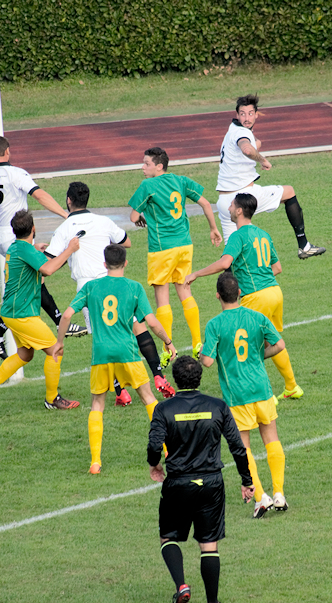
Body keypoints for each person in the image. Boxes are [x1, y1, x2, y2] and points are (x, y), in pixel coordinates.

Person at [0, 135, 87, 361]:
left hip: (2, 236)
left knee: (26, 284)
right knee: (38, 277)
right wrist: (65, 214)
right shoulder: (17, 173)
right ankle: (58, 321)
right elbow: (40, 195)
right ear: (7, 152)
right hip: (18, 234)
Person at [48, 181, 175, 402]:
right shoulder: (103, 221)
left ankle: (121, 392)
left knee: (104, 337)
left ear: (69, 201)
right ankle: (158, 375)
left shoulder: (64, 229)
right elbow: (126, 242)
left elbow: (49, 262)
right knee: (139, 327)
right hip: (114, 281)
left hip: (89, 288)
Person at [55, 243, 177, 474]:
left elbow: (68, 314)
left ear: (104, 264)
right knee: (148, 398)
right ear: (126, 263)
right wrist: (168, 342)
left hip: (101, 355)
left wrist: (60, 342)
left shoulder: (91, 287)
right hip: (127, 354)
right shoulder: (134, 287)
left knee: (98, 404)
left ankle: (95, 462)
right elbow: (151, 322)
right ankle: (168, 449)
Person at [148, 355, 254, 603]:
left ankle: (182, 585)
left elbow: (154, 445)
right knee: (209, 544)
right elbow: (238, 447)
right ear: (199, 378)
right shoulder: (217, 406)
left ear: (175, 379)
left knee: (168, 536)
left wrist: (155, 464)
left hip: (178, 484)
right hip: (211, 484)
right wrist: (246, 480)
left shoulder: (164, 409)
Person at [186, 193, 303, 401]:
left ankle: (266, 395)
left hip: (256, 297)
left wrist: (196, 273)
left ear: (239, 210)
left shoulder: (238, 236)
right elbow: (277, 267)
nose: (229, 208)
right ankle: (292, 386)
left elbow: (224, 263)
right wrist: (260, 275)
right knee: (272, 340)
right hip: (275, 293)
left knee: (252, 345)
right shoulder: (263, 234)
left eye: (231, 205)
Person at [0, 210, 81, 414]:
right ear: (33, 229)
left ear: (15, 231)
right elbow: (48, 270)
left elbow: (30, 261)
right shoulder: (26, 250)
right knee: (55, 351)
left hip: (12, 313)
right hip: (22, 315)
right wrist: (70, 250)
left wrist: (37, 251)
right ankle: (52, 399)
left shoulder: (16, 248)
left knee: (25, 354)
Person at [200, 272, 288, 518]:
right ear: (239, 293)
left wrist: (202, 353)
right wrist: (260, 356)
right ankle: (279, 493)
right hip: (262, 389)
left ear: (218, 295)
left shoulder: (215, 325)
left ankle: (261, 497)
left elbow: (206, 362)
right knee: (271, 438)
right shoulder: (258, 317)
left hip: (237, 395)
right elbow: (279, 345)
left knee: (244, 447)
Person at [129, 147, 223, 361]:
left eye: (146, 164)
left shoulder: (148, 185)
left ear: (159, 166)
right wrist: (213, 228)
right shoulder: (181, 180)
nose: (142, 168)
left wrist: (143, 216)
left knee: (162, 298)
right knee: (185, 292)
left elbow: (134, 217)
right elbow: (206, 203)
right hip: (184, 246)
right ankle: (198, 343)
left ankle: (167, 350)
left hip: (162, 249)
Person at [216, 94, 326, 258]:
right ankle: (304, 246)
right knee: (289, 192)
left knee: (231, 256)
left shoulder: (233, 129)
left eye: (250, 113)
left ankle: (228, 283)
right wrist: (262, 159)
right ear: (237, 115)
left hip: (224, 204)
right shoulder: (240, 133)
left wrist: (256, 144)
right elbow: (246, 148)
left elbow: (252, 142)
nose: (247, 118)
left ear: (256, 114)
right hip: (243, 197)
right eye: (243, 113)